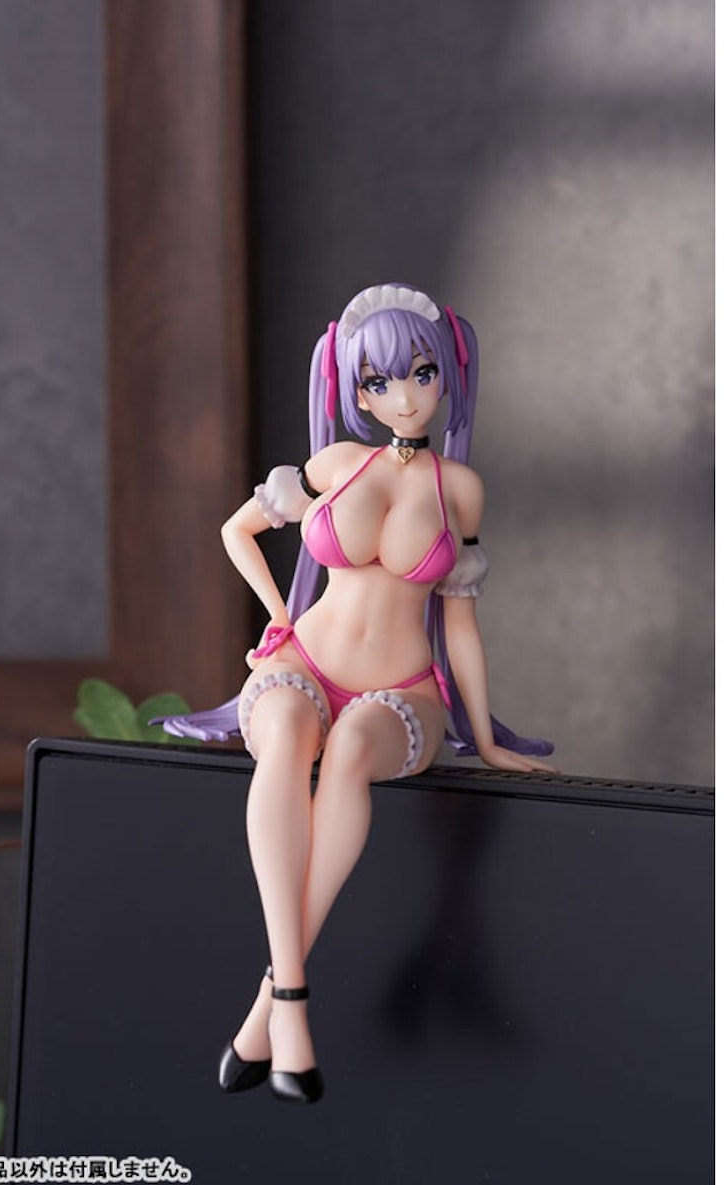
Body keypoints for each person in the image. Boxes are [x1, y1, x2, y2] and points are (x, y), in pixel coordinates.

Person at [155, 283, 555, 1104]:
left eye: (420, 374)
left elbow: (462, 626)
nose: (403, 397)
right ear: (356, 392)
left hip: (400, 688)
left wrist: (483, 737)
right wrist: (277, 616)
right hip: (305, 662)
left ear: (447, 377)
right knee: (286, 732)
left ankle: (271, 1004)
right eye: (378, 381)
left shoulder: (460, 489)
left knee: (346, 758)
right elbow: (238, 529)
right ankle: (292, 1000)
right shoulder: (336, 463)